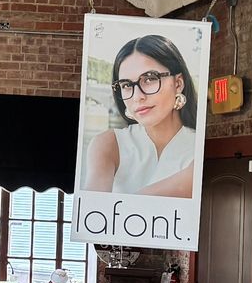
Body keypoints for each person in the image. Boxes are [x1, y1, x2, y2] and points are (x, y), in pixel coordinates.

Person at [84, 33, 198, 198]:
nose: (137, 96)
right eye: (126, 85)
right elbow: (92, 210)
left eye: (150, 79)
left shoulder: (198, 147)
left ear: (178, 83)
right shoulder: (109, 144)